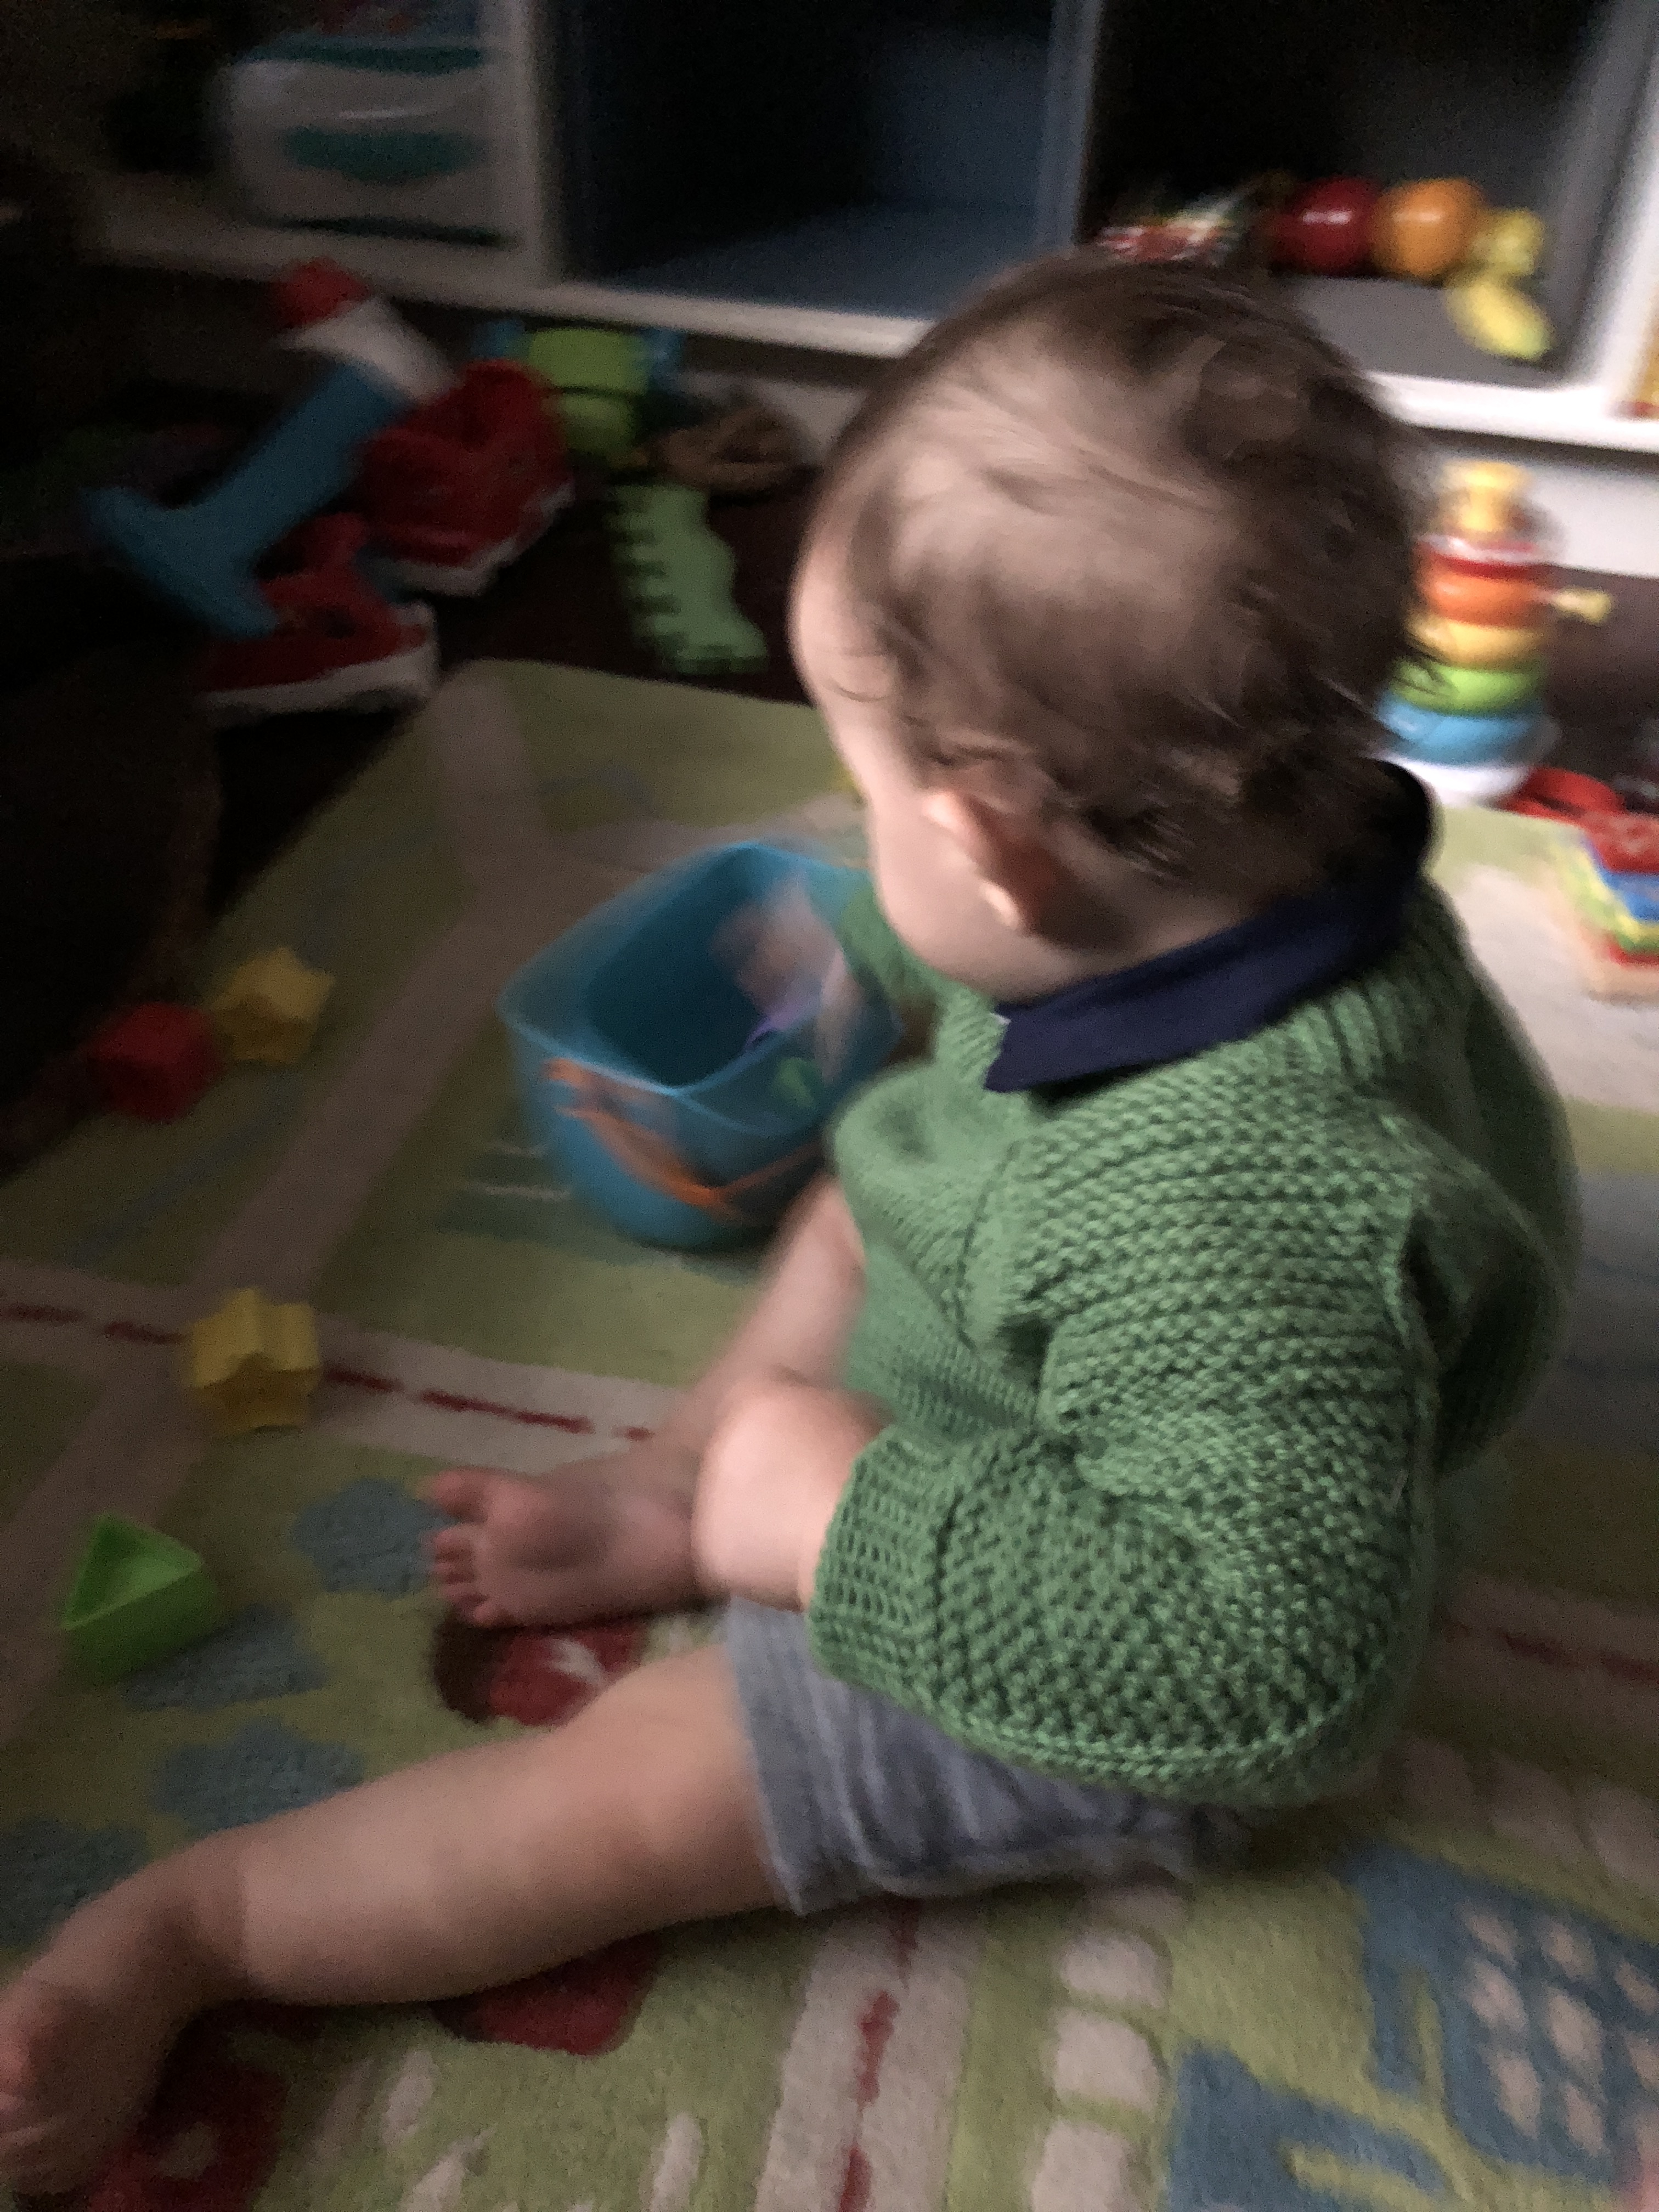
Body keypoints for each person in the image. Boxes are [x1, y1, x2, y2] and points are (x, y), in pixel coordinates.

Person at [0, 256, 1577, 2192]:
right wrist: (868, 940)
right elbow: (1011, 989)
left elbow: (1271, 1675)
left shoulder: (1237, 1207)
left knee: (639, 1785)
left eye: (867, 788)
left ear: (996, 837)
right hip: (1051, 1305)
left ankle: (200, 1933)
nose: (857, 828)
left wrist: (827, 1517)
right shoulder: (1265, 855)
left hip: (1122, 1634)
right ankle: (679, 1490)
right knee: (864, 1184)